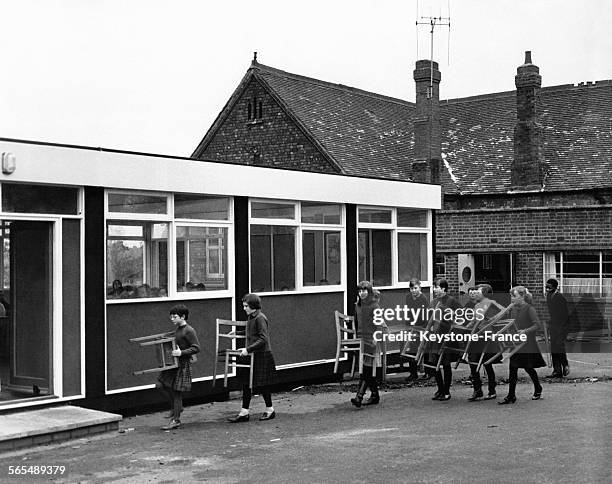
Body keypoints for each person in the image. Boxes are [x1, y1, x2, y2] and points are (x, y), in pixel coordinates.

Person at [228, 294, 277, 422]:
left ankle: (270, 410)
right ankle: (244, 412)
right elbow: (251, 332)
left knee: (263, 384)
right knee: (246, 383)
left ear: (254, 307)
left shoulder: (260, 318)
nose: (244, 308)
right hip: (252, 354)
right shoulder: (251, 317)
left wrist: (247, 349)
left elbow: (263, 339)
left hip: (261, 355)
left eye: (246, 306)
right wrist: (238, 333)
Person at [499, 286, 546, 404]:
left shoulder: (529, 309)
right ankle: (511, 396)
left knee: (528, 367)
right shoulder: (513, 309)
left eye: (514, 296)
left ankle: (538, 387)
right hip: (516, 343)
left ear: (522, 297)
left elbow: (537, 325)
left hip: (527, 343)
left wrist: (525, 331)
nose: (512, 298)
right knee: (513, 369)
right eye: (511, 296)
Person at [158, 304, 200, 430]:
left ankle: (176, 420)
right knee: (160, 385)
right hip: (173, 364)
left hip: (182, 365)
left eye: (174, 317)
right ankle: (177, 407)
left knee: (177, 393)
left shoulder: (189, 330)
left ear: (183, 316)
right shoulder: (178, 329)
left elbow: (196, 347)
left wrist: (181, 352)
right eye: (171, 316)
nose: (172, 319)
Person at [351, 281, 385, 407]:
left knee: (366, 368)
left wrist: (377, 336)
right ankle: (375, 395)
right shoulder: (358, 306)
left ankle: (359, 397)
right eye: (359, 291)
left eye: (364, 291)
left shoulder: (374, 306)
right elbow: (356, 322)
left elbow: (379, 323)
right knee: (367, 368)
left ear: (369, 291)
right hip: (361, 340)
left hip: (371, 339)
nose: (361, 293)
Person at [467, 284, 502, 401]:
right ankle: (477, 390)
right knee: (473, 363)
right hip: (476, 335)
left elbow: (503, 311)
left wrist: (492, 319)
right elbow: (474, 320)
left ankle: (492, 390)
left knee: (487, 364)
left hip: (486, 336)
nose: (476, 293)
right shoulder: (477, 305)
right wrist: (466, 327)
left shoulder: (491, 303)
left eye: (478, 292)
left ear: (484, 293)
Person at [430, 278, 461, 401]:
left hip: (447, 335)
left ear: (443, 288)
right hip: (435, 336)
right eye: (434, 287)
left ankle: (446, 391)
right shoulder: (433, 302)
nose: (434, 289)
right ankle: (440, 389)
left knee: (445, 363)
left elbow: (461, 314)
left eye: (436, 287)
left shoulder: (451, 301)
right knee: (434, 363)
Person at [403, 278, 429, 381]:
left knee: (424, 349)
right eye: (411, 288)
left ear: (419, 288)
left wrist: (424, 327)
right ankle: (413, 373)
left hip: (422, 326)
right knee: (411, 349)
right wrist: (408, 324)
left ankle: (428, 372)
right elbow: (408, 311)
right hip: (412, 326)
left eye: (415, 288)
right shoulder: (408, 297)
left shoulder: (423, 299)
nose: (413, 290)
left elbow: (426, 314)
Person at [545, 278, 570, 378]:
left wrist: (562, 328)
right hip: (553, 325)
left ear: (554, 287)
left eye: (549, 287)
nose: (546, 289)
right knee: (554, 347)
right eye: (546, 287)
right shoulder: (548, 296)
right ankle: (557, 371)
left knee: (559, 346)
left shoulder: (560, 298)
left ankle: (565, 364)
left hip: (562, 325)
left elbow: (565, 314)